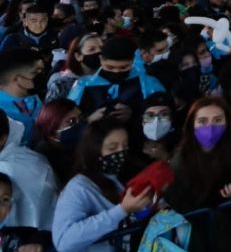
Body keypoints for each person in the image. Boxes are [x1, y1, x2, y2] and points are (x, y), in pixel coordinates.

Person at [52, 119, 152, 252]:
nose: (121, 153)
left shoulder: (125, 175)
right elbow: (64, 242)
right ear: (95, 150)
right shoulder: (79, 187)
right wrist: (121, 211)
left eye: (125, 146)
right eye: (112, 148)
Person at [165, 97, 231, 252]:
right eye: (202, 121)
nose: (210, 126)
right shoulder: (180, 161)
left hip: (223, 235)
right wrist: (220, 197)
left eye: (217, 120)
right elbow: (182, 204)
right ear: (191, 125)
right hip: (193, 239)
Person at [68, 37, 165, 123]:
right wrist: (89, 120)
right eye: (110, 67)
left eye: (123, 67)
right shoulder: (83, 84)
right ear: (101, 59)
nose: (116, 72)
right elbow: (67, 120)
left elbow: (164, 117)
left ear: (132, 61)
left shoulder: (149, 83)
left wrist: (135, 115)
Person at [0, 49, 45, 146]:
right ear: (16, 79)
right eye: (35, 73)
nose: (41, 77)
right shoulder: (2, 110)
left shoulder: (33, 98)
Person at [34, 98, 84, 186]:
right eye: (71, 121)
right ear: (52, 128)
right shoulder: (43, 159)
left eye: (80, 118)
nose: (79, 124)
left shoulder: (78, 142)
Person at [0, 171, 52, 252]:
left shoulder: (13, 237)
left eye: (5, 199)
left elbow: (46, 235)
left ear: (9, 208)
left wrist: (36, 245)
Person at [47, 33, 103, 102]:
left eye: (101, 48)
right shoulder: (62, 83)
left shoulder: (106, 79)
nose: (99, 52)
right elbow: (50, 111)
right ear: (78, 56)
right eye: (91, 49)